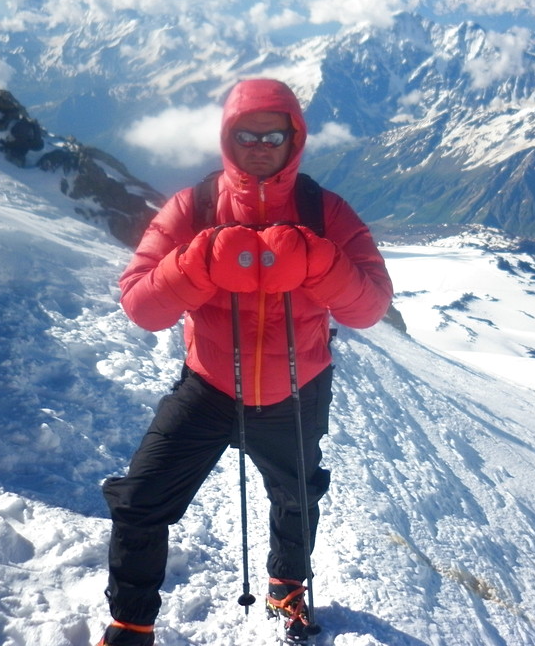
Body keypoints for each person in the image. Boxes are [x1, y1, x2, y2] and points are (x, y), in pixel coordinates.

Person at [98, 78, 394, 645]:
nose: (260, 145)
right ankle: (131, 622)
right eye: (246, 134)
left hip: (295, 390)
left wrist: (313, 259)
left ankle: (287, 587)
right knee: (139, 501)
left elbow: (370, 305)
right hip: (209, 386)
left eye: (273, 134)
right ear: (227, 138)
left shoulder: (324, 212)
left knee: (297, 498)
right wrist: (200, 262)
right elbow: (141, 305)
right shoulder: (193, 209)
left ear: (294, 139)